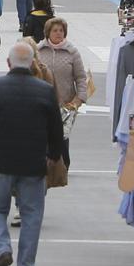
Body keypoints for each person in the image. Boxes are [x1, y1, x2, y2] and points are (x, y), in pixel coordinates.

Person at [0, 39, 64, 266]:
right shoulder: (44, 90)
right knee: (32, 214)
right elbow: (56, 129)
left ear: (9, 62)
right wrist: (54, 156)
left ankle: (2, 249)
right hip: (33, 162)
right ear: (33, 63)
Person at [33, 18, 92, 165]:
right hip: (42, 102)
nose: (59, 33)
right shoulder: (39, 51)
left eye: (61, 30)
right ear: (48, 33)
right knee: (43, 133)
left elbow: (80, 77)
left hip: (66, 103)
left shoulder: (72, 52)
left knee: (62, 135)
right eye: (55, 30)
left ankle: (63, 163)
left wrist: (80, 98)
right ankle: (46, 161)